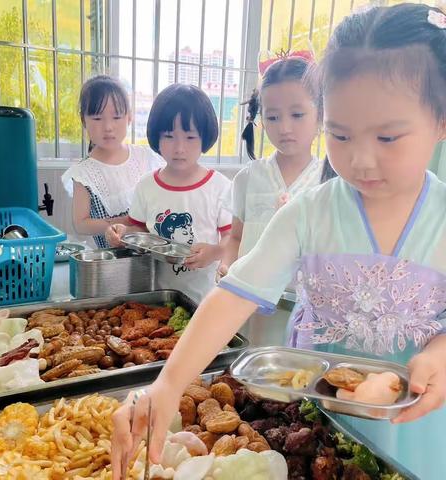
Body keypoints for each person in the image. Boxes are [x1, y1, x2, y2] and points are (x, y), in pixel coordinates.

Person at [110, 4, 446, 479]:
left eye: (388, 137)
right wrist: (165, 387)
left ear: (441, 120)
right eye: (341, 134)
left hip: (421, 429)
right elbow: (232, 296)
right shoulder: (311, 212)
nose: (362, 160)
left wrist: (439, 353)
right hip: (320, 430)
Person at [105, 84, 232, 303]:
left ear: (205, 138)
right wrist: (122, 232)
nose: (179, 147)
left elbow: (233, 237)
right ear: (156, 137)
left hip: (205, 299)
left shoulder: (219, 186)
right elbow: (140, 229)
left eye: (190, 137)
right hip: (156, 296)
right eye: (169, 136)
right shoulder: (146, 186)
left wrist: (215, 252)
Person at [220, 53, 322, 274]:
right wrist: (226, 266)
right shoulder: (248, 178)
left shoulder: (330, 180)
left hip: (304, 304)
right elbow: (236, 238)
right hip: (249, 299)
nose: (284, 127)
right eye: (273, 117)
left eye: (297, 114)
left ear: (321, 115)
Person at [62, 75, 163, 248]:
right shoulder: (83, 173)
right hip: (111, 262)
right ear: (83, 120)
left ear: (129, 118)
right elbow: (80, 223)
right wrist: (120, 223)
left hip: (151, 255)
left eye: (116, 117)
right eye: (97, 118)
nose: (108, 127)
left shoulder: (146, 157)